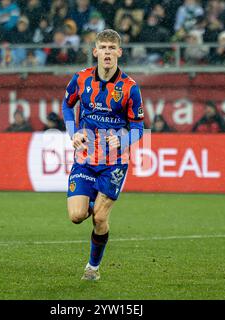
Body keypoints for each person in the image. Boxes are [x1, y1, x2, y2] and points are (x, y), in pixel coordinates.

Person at [61, 29, 144, 281]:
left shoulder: (130, 88)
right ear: (95, 51)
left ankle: (92, 268)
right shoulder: (81, 79)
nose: (107, 52)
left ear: (119, 52)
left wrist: (122, 138)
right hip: (85, 159)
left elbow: (139, 127)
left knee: (100, 217)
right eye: (103, 47)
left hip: (114, 163)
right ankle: (91, 197)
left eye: (112, 48)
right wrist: (72, 132)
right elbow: (67, 104)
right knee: (76, 216)